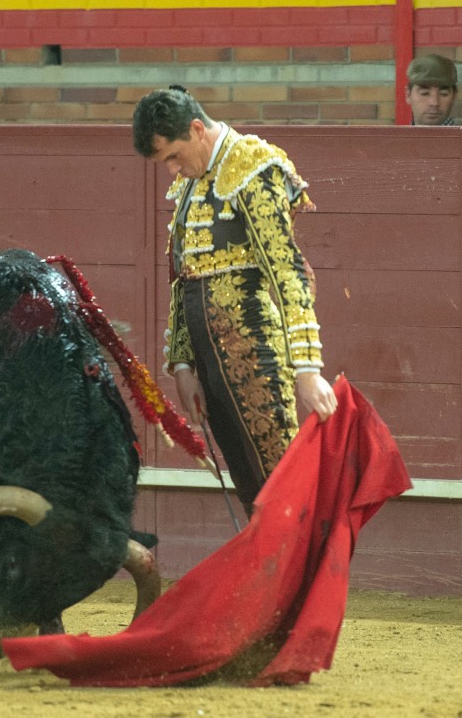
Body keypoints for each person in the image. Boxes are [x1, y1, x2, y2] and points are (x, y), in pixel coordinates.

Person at [132, 86, 337, 517]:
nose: (172, 170)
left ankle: (303, 582)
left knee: (279, 478)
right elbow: (182, 276)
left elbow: (287, 269)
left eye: (173, 156)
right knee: (250, 485)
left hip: (257, 351)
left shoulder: (253, 167)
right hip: (210, 360)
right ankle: (271, 580)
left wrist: (307, 368)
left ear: (196, 129)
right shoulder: (192, 184)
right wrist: (184, 364)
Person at [405, 54, 458, 126]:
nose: (434, 103)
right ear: (408, 95)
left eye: (443, 93)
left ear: (454, 96)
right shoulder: (395, 137)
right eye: (425, 93)